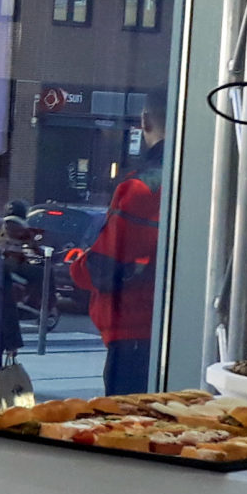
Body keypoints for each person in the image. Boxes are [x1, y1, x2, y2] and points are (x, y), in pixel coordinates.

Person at [70, 110, 165, 395]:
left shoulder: (141, 186)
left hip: (134, 333)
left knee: (125, 424)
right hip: (172, 331)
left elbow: (102, 269)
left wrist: (77, 261)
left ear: (145, 121)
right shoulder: (205, 176)